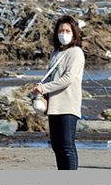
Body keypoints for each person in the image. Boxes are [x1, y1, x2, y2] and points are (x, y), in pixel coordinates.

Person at [33, 15, 84, 170]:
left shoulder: (76, 53)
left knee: (67, 146)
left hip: (68, 105)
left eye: (67, 30)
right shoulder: (55, 53)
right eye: (61, 30)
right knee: (57, 146)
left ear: (74, 33)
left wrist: (45, 88)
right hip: (54, 106)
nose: (64, 33)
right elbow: (52, 77)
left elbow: (68, 78)